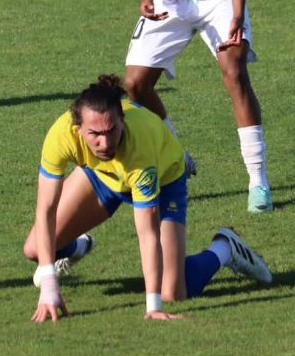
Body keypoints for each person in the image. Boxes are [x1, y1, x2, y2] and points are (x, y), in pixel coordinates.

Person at [24, 75, 273, 324]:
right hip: (101, 176)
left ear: (122, 121)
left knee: (172, 293)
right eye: (95, 134)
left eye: (112, 131)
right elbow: (46, 209)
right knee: (36, 249)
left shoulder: (139, 151)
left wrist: (153, 306)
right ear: (78, 130)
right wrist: (49, 286)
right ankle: (78, 246)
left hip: (164, 179)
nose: (105, 142)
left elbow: (147, 233)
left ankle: (225, 248)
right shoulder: (61, 136)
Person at [123, 0, 273, 214]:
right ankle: (176, 155)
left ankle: (258, 182)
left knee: (234, 71)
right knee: (135, 83)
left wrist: (239, 12)